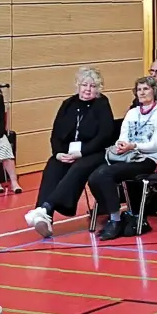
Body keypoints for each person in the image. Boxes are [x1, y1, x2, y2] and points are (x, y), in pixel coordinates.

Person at [25, 67, 115, 238]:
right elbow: (56, 133)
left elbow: (105, 134)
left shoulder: (102, 103)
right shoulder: (68, 104)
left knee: (79, 167)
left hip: (93, 153)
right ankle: (45, 219)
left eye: (93, 86)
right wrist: (58, 152)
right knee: (53, 165)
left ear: (98, 88)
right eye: (84, 85)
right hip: (67, 152)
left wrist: (81, 153)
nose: (88, 89)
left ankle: (46, 207)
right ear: (77, 85)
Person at [89, 77, 157, 240]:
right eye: (139, 89)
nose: (141, 92)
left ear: (154, 91)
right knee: (93, 177)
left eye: (145, 89)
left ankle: (115, 220)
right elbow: (123, 137)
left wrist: (133, 146)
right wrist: (123, 146)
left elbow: (156, 144)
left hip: (147, 160)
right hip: (126, 156)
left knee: (104, 174)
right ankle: (117, 214)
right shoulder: (132, 112)